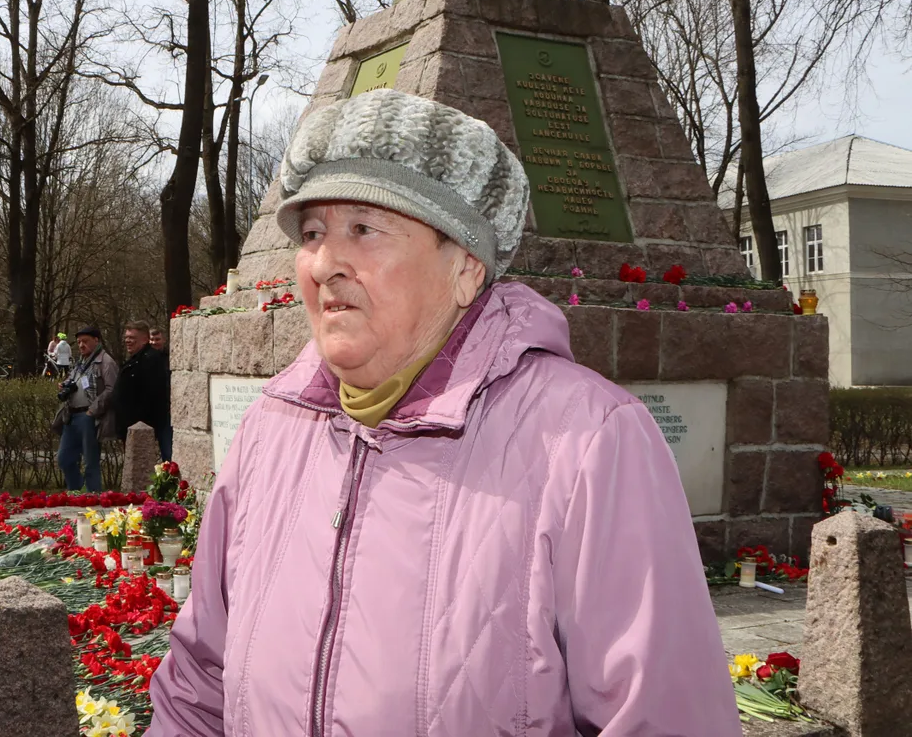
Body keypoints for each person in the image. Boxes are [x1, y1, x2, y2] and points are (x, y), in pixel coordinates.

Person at [146, 90, 739, 736]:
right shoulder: (272, 429)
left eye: (364, 228)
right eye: (312, 232)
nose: (324, 262)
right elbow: (201, 682)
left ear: (465, 269)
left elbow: (666, 718)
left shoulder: (588, 443)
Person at [56, 326, 117, 492]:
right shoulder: (80, 362)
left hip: (89, 416)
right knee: (64, 458)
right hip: (72, 415)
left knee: (90, 461)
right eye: (79, 342)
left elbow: (112, 389)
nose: (81, 345)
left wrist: (93, 410)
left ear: (96, 340)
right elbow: (74, 381)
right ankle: (76, 491)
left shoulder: (105, 361)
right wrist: (64, 385)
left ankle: (93, 497)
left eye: (85, 341)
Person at [113, 320, 172, 461]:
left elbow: (152, 396)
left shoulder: (151, 360)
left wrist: (140, 424)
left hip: (142, 428)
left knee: (142, 469)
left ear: (145, 339)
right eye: (126, 338)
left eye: (132, 338)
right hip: (131, 427)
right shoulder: (134, 360)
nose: (128, 341)